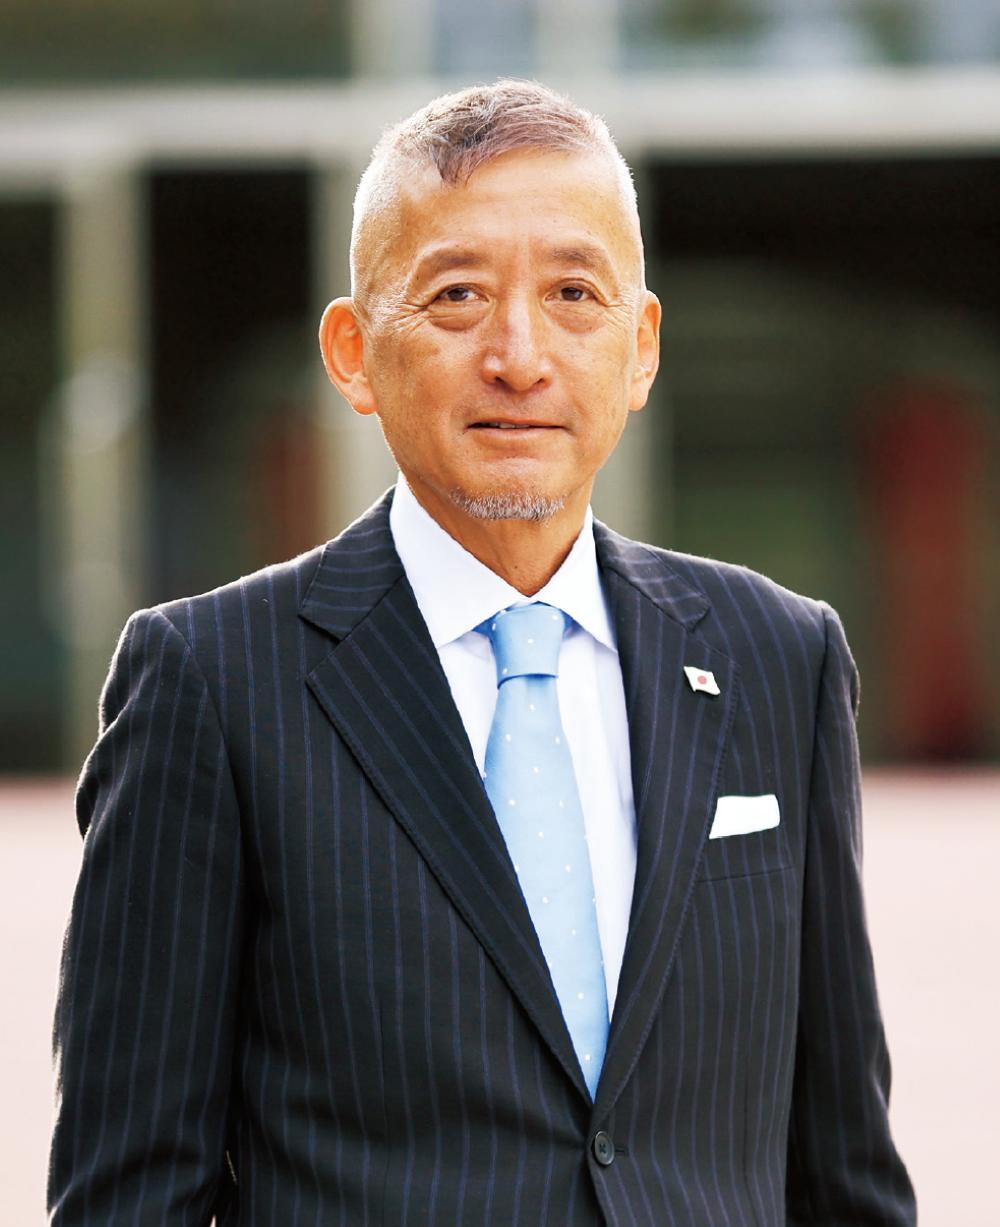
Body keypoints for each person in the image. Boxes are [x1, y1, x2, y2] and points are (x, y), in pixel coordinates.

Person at [49, 79, 916, 1226]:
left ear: (640, 348)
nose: (519, 355)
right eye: (456, 295)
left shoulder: (778, 659)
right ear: (354, 353)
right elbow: (128, 1195)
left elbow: (844, 1171)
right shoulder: (210, 682)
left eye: (573, 294)